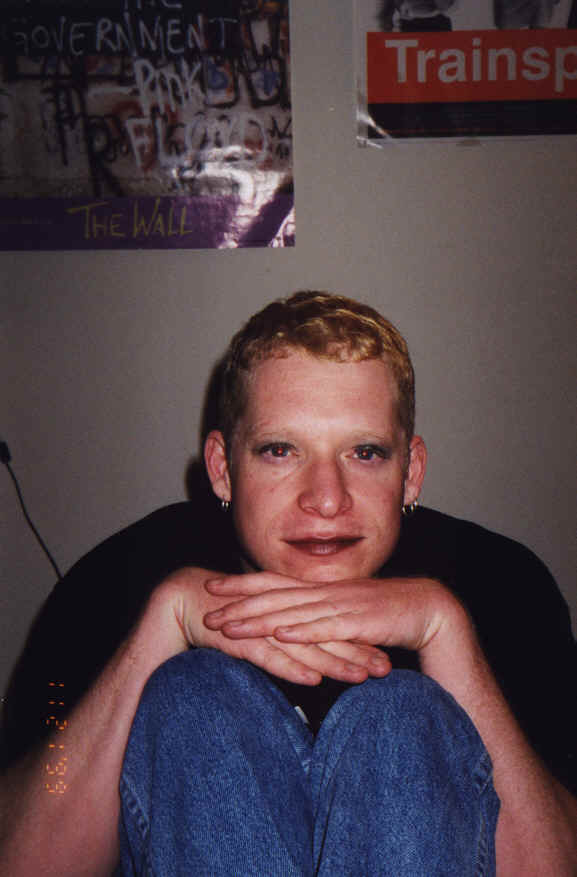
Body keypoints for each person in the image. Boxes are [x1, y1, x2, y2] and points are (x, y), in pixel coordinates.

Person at [0, 291, 576, 875]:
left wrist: (444, 631)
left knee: (400, 717)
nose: (326, 499)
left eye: (365, 452)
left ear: (411, 472)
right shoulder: (112, 584)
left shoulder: (504, 587)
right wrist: (158, 631)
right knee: (195, 696)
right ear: (222, 468)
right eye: (280, 450)